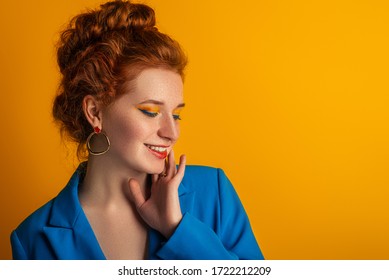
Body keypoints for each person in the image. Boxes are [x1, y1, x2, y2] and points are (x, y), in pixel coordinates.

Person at [10, 0, 264, 260]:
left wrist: (178, 229)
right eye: (151, 112)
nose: (171, 132)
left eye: (176, 114)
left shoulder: (214, 195)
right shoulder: (32, 240)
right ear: (95, 112)